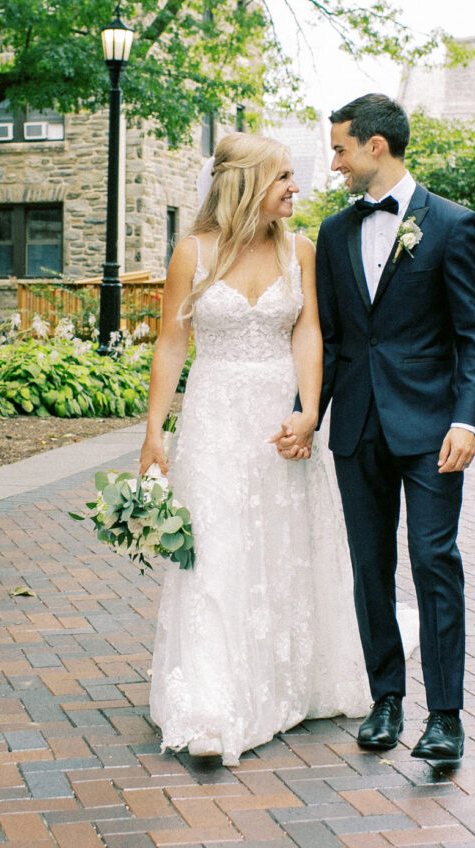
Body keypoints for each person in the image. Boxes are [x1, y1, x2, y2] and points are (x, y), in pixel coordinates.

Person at [278, 93, 475, 763]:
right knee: (370, 568)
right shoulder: (337, 234)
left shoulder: (453, 225)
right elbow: (336, 339)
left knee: (434, 564)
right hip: (359, 430)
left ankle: (447, 718)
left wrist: (469, 420)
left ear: (377, 146)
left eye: (341, 148)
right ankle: (386, 700)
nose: (334, 162)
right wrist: (306, 411)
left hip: (434, 430)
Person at [140, 133, 368, 766]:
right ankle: (211, 707)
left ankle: (288, 680)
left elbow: (310, 333)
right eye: (284, 177)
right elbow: (171, 345)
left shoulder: (301, 250)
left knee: (282, 546)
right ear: (244, 184)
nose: (297, 187)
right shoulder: (193, 252)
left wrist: (308, 412)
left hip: (277, 425)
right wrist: (155, 430)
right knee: (214, 553)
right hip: (213, 422)